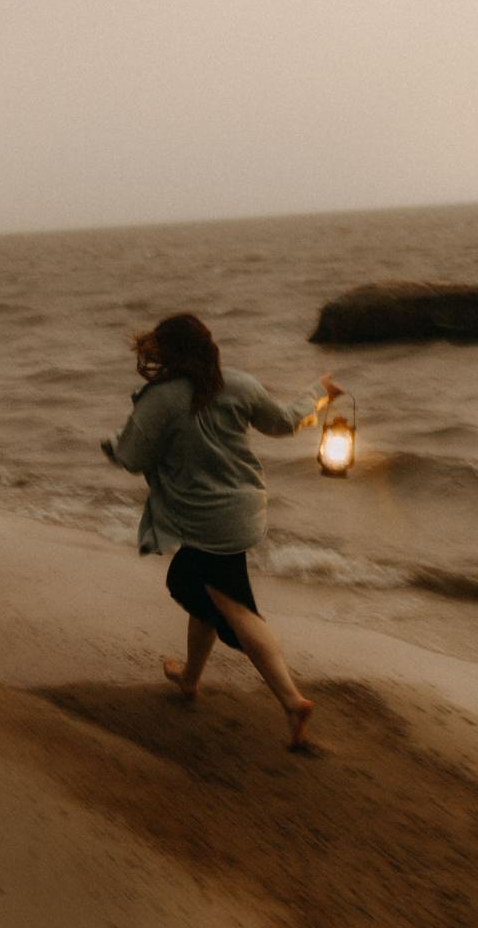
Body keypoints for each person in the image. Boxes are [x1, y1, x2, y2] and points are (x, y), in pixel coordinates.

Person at [102, 313, 340, 748]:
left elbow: (132, 457)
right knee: (213, 592)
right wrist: (319, 393)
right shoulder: (240, 384)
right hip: (245, 510)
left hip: (202, 518)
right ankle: (190, 679)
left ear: (168, 353)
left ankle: (291, 700)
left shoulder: (160, 399)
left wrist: (115, 445)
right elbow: (285, 422)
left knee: (223, 601)